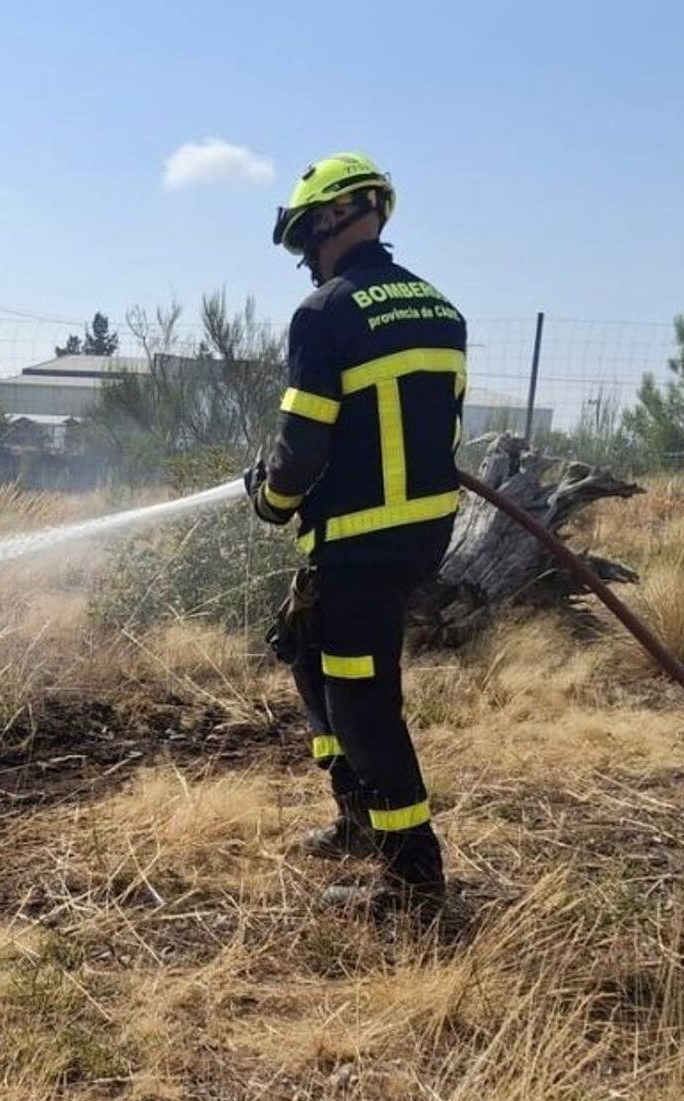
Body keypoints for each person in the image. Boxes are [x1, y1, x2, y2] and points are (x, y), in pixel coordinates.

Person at [245, 151, 466, 918]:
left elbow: (301, 445)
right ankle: (355, 820)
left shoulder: (327, 313)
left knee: (365, 707)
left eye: (308, 237)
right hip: (415, 539)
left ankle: (413, 881)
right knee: (306, 652)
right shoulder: (440, 309)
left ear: (339, 219)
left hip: (358, 546)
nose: (307, 256)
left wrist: (271, 500)